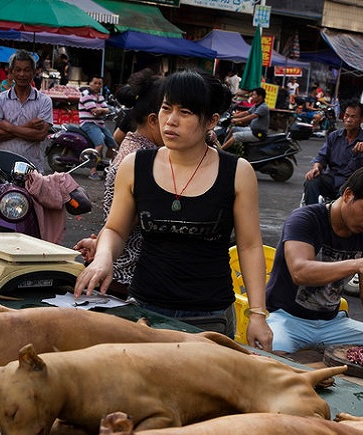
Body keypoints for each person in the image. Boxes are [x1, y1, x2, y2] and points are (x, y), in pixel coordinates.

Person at [74, 69, 272, 349]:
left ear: (211, 121)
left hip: (209, 317)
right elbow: (116, 229)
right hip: (146, 310)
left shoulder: (237, 172)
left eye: (186, 112)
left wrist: (258, 314)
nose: (171, 121)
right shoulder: (135, 166)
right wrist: (104, 257)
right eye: (166, 108)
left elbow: (250, 246)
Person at [266, 163, 363, 355]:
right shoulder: (305, 219)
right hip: (285, 318)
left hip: (333, 324)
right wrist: (357, 263)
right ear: (348, 195)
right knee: (271, 353)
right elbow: (300, 271)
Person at [73, 69, 164, 297]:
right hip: (127, 273)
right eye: (170, 111)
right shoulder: (142, 159)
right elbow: (125, 221)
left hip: (119, 263)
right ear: (153, 119)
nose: (175, 122)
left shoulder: (142, 148)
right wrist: (104, 247)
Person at [302, 100, 363, 206]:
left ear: (362, 119)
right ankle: (312, 214)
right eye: (346, 116)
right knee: (311, 182)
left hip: (351, 184)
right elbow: (321, 157)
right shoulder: (334, 136)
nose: (348, 120)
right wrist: (316, 168)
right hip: (330, 179)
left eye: (353, 117)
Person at [0, 50, 53, 170]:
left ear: (33, 72)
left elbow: (40, 135)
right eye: (18, 70)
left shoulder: (44, 101)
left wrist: (9, 127)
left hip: (32, 168)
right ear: (11, 72)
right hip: (3, 167)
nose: (22, 74)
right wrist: (29, 126)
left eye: (27, 70)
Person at [77, 75, 118, 180]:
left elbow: (105, 109)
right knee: (99, 144)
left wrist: (103, 110)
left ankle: (110, 168)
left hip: (99, 123)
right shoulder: (86, 94)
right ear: (90, 83)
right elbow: (95, 111)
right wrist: (103, 110)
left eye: (100, 83)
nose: (97, 85)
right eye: (95, 83)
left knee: (112, 144)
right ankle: (92, 171)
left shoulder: (100, 96)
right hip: (88, 123)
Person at [221, 86, 268, 151]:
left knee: (236, 136)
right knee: (233, 129)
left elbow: (252, 116)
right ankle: (223, 145)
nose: (252, 97)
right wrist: (233, 116)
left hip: (257, 133)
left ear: (260, 97)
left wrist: (237, 120)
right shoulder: (256, 105)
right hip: (252, 129)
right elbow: (246, 112)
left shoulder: (263, 107)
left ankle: (219, 151)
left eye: (254, 95)